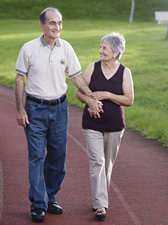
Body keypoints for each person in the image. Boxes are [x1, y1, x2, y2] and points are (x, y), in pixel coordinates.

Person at [14, 7, 102, 223]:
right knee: (36, 156)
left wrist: (91, 97)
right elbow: (19, 79)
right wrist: (20, 109)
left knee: (58, 158)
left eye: (60, 23)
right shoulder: (29, 48)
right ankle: (38, 204)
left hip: (60, 109)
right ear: (42, 25)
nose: (57, 27)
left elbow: (76, 77)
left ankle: (50, 195)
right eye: (52, 23)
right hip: (34, 109)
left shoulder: (66, 48)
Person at [76, 32, 134, 219]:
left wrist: (106, 95)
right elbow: (79, 92)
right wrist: (91, 102)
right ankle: (101, 204)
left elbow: (129, 99)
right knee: (97, 162)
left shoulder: (125, 72)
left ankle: (100, 199)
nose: (100, 51)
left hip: (115, 126)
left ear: (116, 52)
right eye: (100, 47)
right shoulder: (92, 68)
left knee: (107, 165)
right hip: (91, 123)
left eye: (104, 48)